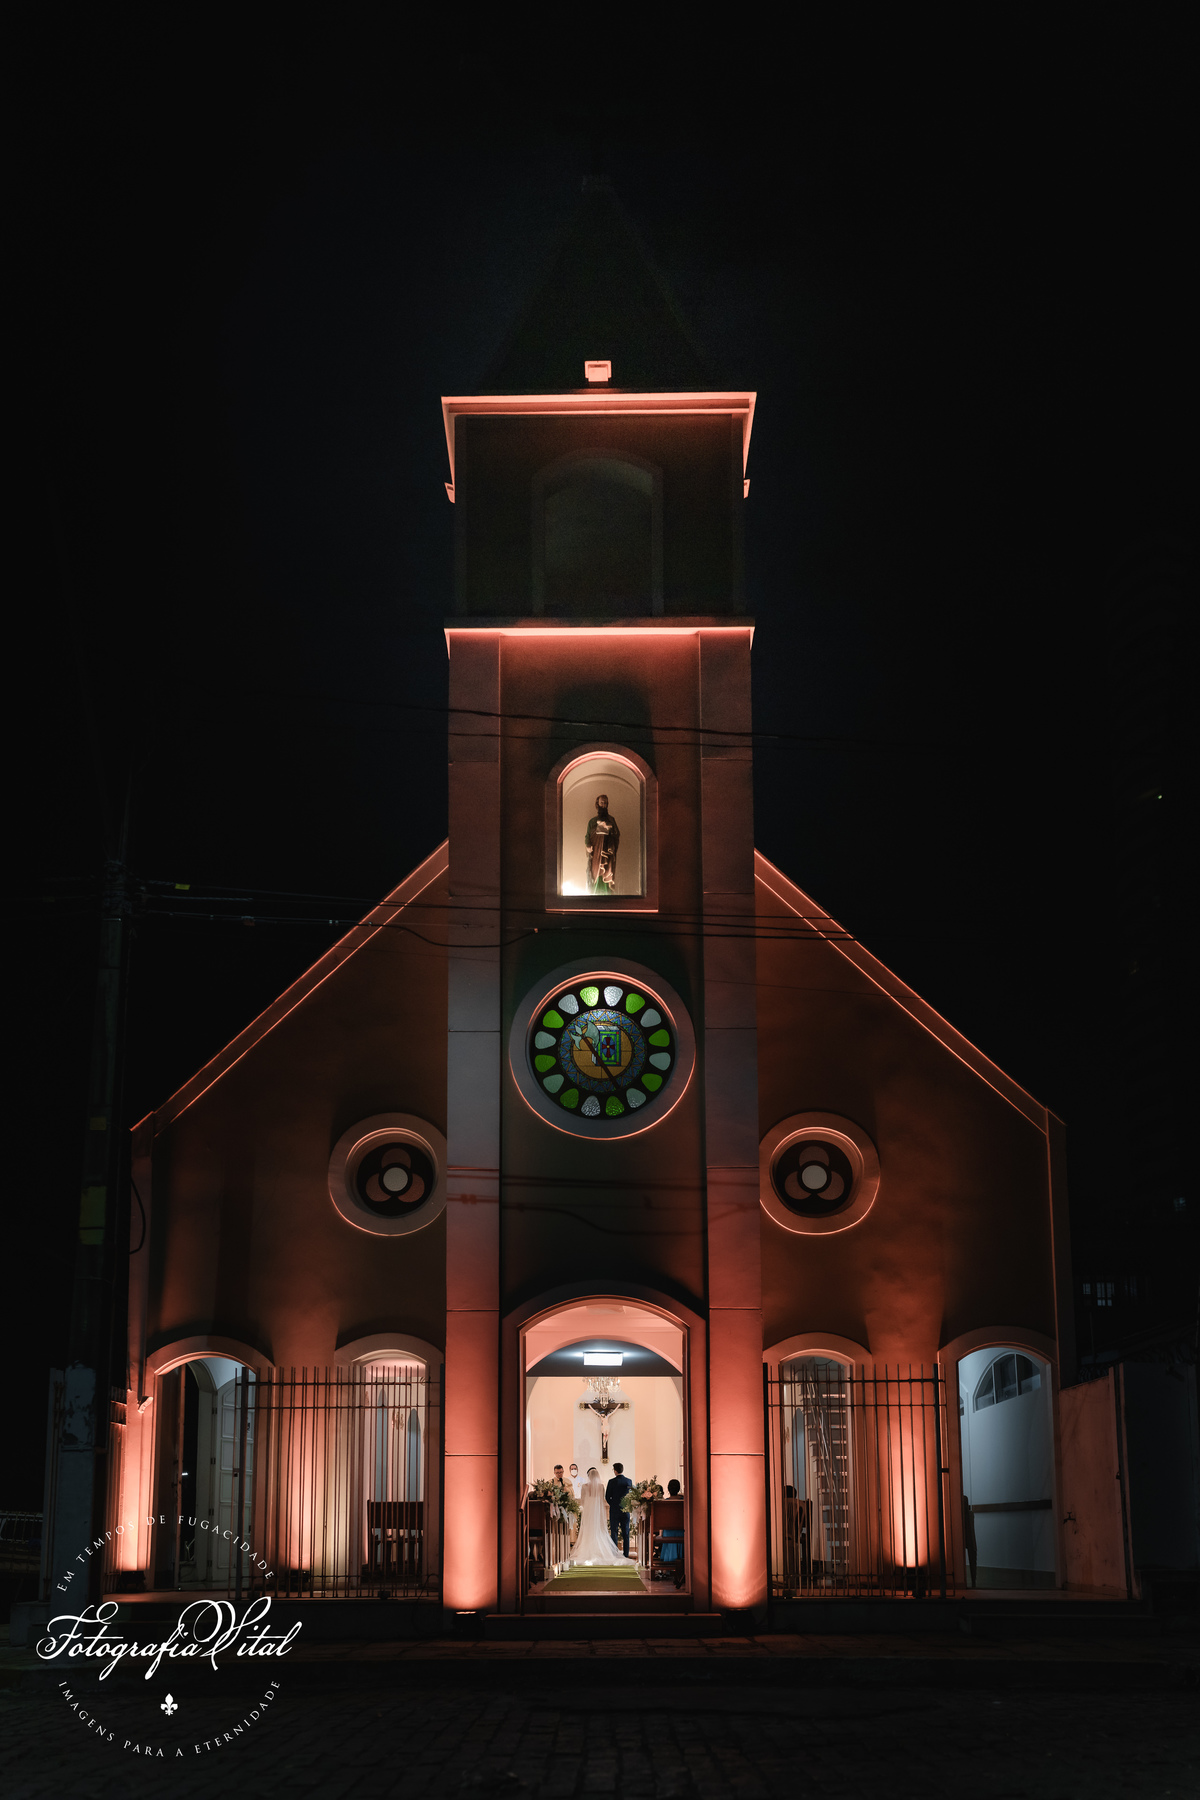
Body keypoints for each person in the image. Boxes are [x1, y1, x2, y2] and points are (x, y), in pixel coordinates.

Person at [572, 1468, 629, 1567]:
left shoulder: (584, 1486)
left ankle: (587, 1550)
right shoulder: (601, 1486)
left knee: (588, 1530)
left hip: (589, 1511)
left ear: (588, 1476)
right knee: (598, 1529)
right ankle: (600, 1551)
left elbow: (583, 1500)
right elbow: (603, 1499)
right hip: (597, 1510)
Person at [584, 795, 620, 894]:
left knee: (607, 871)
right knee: (596, 872)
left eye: (605, 803)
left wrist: (610, 831)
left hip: (607, 852)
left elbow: (617, 834)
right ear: (597, 804)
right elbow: (587, 836)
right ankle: (595, 894)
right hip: (596, 853)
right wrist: (588, 845)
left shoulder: (611, 820)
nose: (603, 805)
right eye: (601, 803)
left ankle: (607, 895)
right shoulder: (592, 821)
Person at [605, 1462, 633, 1556]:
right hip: (625, 1510)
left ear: (615, 1471)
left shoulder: (611, 1482)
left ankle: (614, 1553)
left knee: (614, 1532)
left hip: (615, 1510)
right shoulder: (628, 1481)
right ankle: (626, 1554)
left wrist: (613, 1504)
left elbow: (607, 1496)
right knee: (626, 1532)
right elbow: (630, 1495)